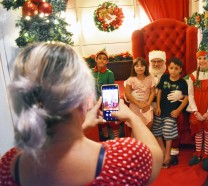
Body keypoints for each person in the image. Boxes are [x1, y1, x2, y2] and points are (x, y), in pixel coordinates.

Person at [0, 42, 163, 186]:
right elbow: (155, 154)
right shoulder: (125, 156)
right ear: (87, 99)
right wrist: (131, 116)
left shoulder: (8, 163)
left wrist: (81, 125)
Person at [132, 50, 184, 165]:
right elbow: (128, 85)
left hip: (167, 105)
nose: (156, 64)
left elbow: (184, 88)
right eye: (153, 61)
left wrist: (180, 96)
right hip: (147, 105)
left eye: (159, 61)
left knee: (170, 122)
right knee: (151, 122)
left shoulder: (170, 74)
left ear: (164, 62)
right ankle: (152, 150)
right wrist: (130, 96)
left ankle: (172, 151)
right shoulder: (144, 75)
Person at [152, 57, 188, 168]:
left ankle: (167, 155)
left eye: (176, 69)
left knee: (167, 130)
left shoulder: (182, 82)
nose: (173, 71)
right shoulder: (165, 77)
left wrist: (178, 110)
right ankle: (162, 150)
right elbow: (159, 92)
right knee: (156, 129)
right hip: (161, 109)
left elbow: (186, 98)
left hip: (171, 112)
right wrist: (157, 106)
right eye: (171, 68)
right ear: (168, 68)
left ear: (180, 70)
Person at [186, 50, 208, 171]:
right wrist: (195, 111)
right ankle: (198, 154)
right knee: (198, 132)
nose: (202, 61)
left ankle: (206, 156)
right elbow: (190, 95)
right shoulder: (193, 76)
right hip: (197, 110)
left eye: (204, 58)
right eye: (199, 59)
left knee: (207, 133)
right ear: (197, 60)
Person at [92, 50, 119, 140]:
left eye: (104, 59)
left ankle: (116, 137)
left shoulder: (109, 73)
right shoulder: (91, 72)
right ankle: (106, 136)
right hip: (95, 101)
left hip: (108, 100)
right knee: (102, 119)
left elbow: (112, 89)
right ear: (96, 59)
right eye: (100, 58)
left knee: (112, 119)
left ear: (107, 61)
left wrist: (108, 101)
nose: (102, 61)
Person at [125, 57, 156, 128]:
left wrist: (148, 104)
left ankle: (146, 139)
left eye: (142, 66)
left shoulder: (150, 77)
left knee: (149, 123)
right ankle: (135, 139)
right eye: (137, 66)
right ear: (134, 67)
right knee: (136, 128)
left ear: (146, 67)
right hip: (135, 105)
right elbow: (127, 94)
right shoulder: (130, 79)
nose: (139, 68)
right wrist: (138, 104)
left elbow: (153, 92)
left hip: (146, 105)